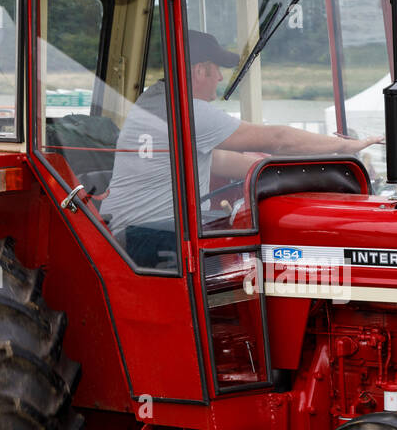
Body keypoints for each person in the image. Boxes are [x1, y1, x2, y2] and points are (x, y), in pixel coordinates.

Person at [101, 30, 380, 267]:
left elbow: (217, 159)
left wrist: (274, 170)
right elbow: (277, 138)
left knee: (227, 226)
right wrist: (345, 146)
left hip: (132, 232)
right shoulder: (187, 110)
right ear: (199, 71)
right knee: (251, 247)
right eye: (217, 70)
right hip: (149, 237)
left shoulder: (154, 99)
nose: (221, 79)